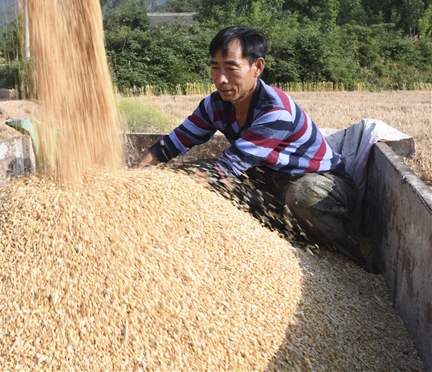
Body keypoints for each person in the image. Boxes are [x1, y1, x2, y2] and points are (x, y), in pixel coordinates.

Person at [133, 25, 365, 265]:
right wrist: (135, 175)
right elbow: (172, 144)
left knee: (303, 195)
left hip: (322, 183)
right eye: (215, 67)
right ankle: (280, 238)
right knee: (188, 172)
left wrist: (169, 191)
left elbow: (227, 168)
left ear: (257, 67)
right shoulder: (215, 105)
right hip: (272, 182)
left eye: (231, 68)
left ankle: (350, 259)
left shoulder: (276, 111)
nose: (221, 79)